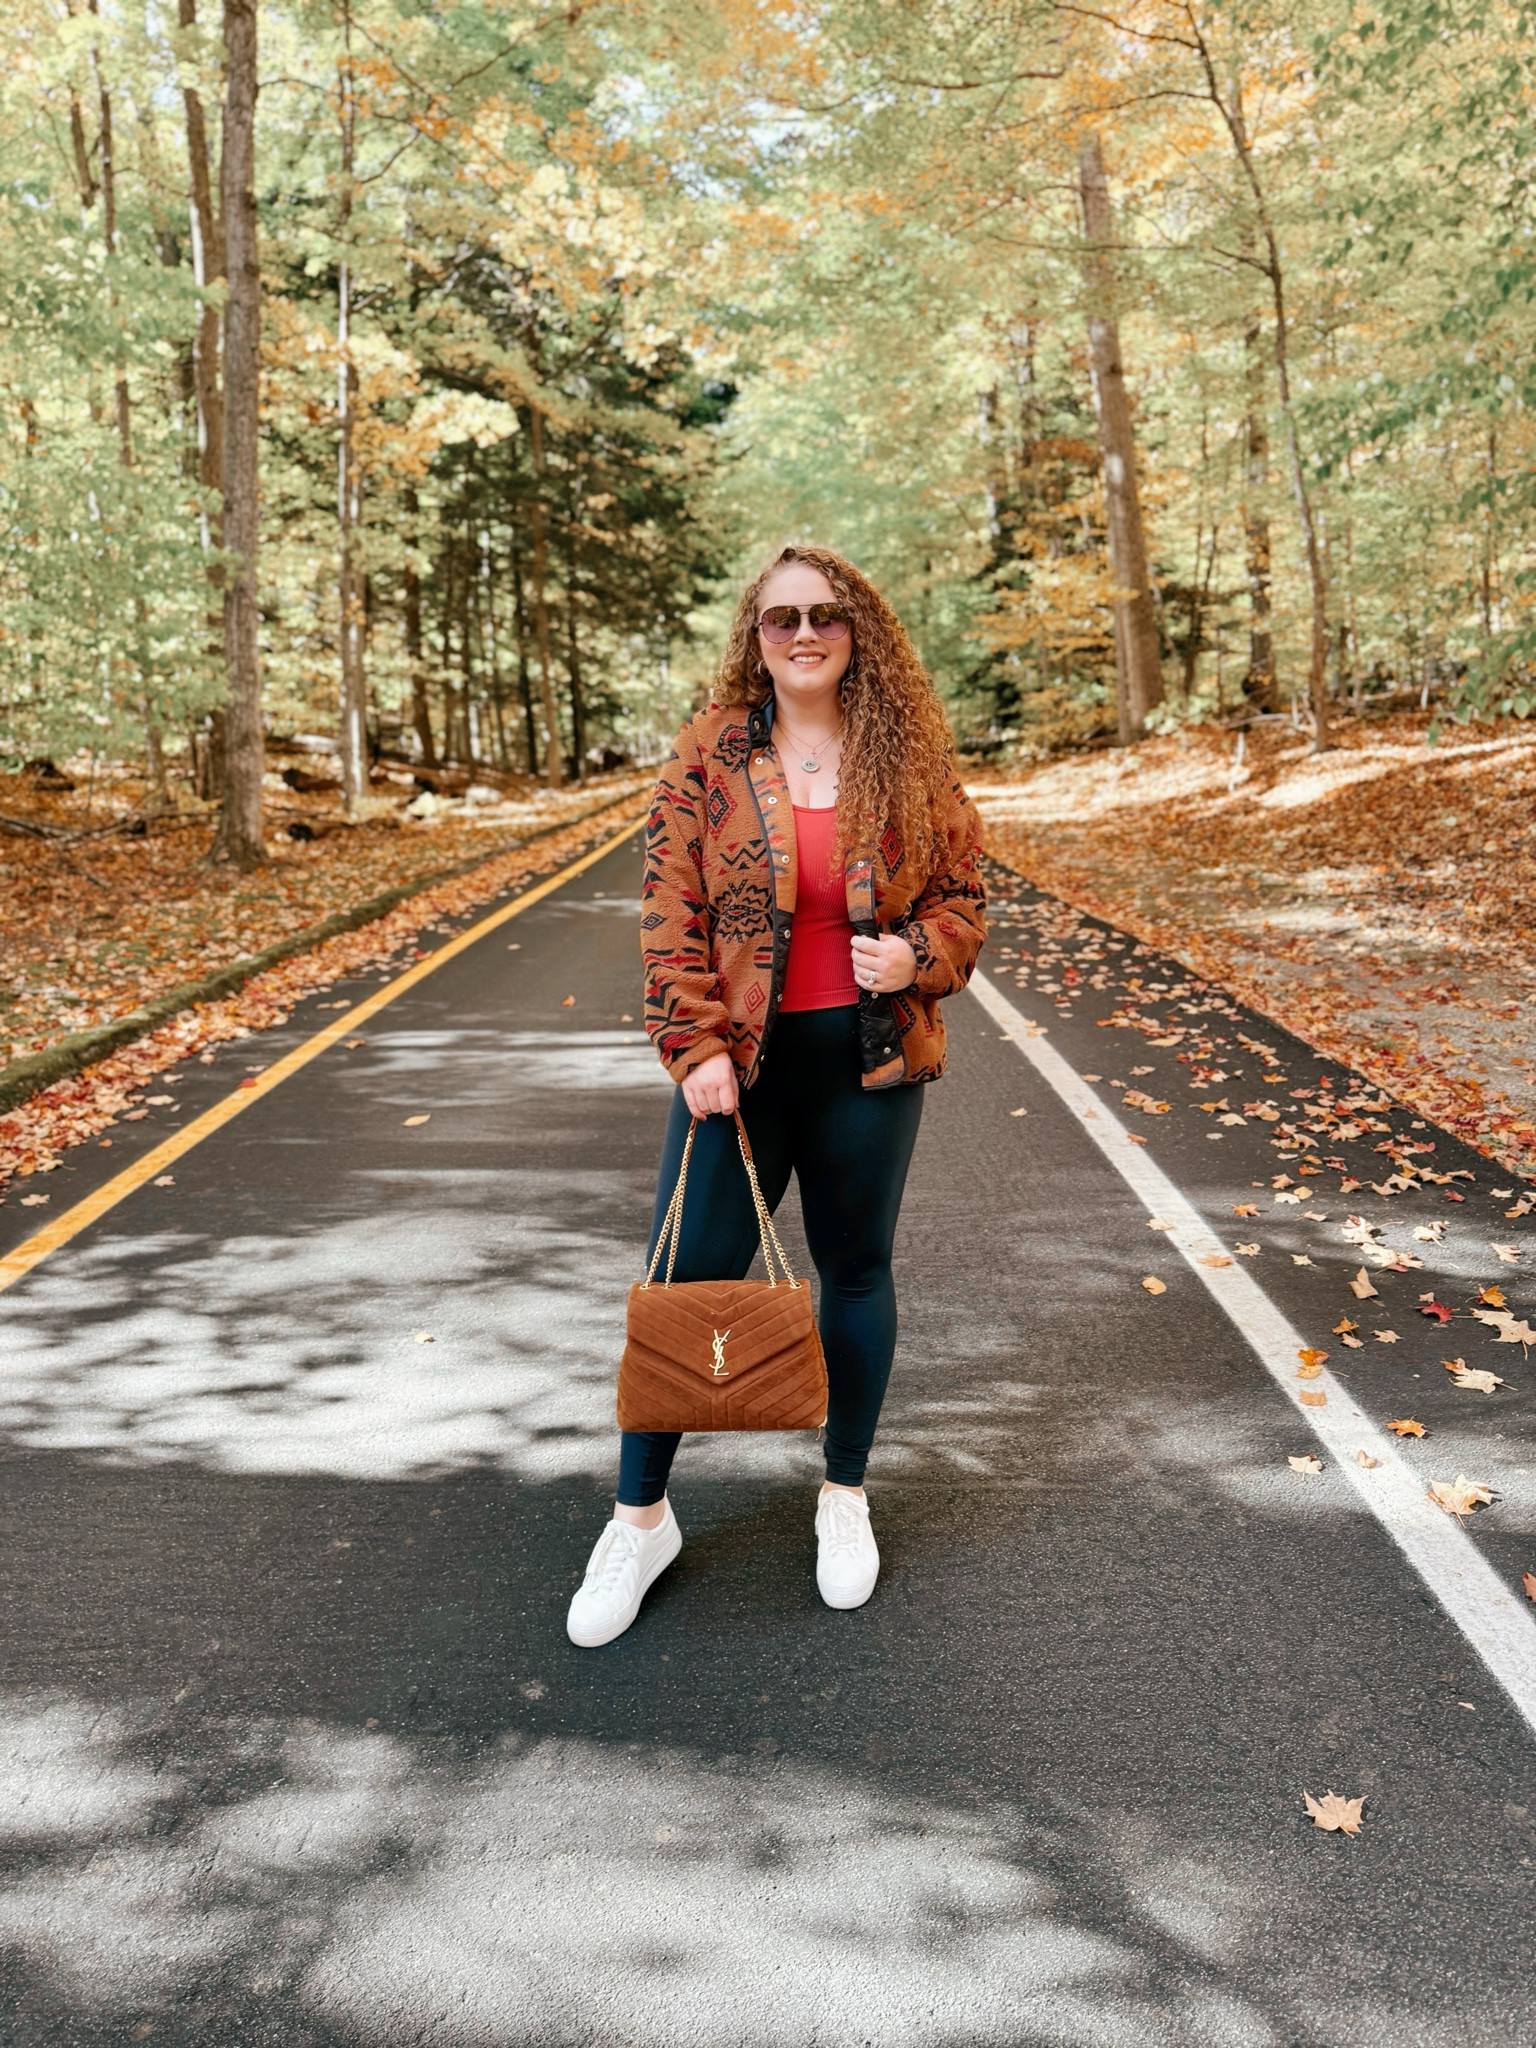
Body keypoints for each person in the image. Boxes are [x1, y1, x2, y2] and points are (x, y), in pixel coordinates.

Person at [567, 542, 987, 1648]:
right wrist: (691, 1043)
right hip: (734, 1073)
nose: (804, 635)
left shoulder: (910, 759)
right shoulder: (709, 754)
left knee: (856, 1270)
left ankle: (842, 1496)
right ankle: (639, 1516)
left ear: (862, 634)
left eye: (827, 617)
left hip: (867, 1063)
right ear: (753, 637)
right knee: (688, 1277)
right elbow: (669, 910)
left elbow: (963, 898)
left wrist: (917, 957)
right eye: (781, 618)